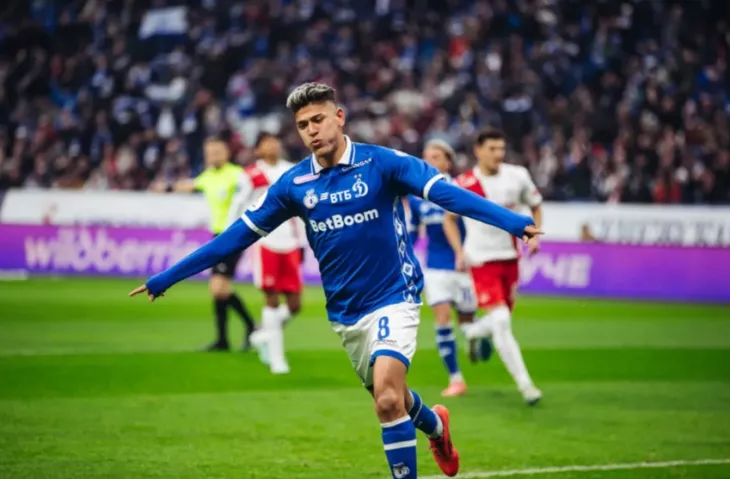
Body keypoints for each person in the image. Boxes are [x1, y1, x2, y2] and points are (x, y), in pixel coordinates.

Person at [131, 83, 542, 479]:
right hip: (346, 312)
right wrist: (167, 278)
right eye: (303, 125)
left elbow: (446, 195)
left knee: (386, 399)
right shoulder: (293, 185)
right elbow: (235, 236)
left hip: (395, 296)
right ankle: (436, 427)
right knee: (393, 397)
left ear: (339, 117)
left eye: (318, 120)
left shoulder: (383, 163)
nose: (312, 130)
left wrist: (513, 222)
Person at [443, 127, 544, 405]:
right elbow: (449, 219)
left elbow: (535, 205)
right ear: (478, 151)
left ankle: (472, 331)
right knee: (501, 321)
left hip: (510, 259)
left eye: (501, 148)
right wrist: (459, 251)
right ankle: (527, 387)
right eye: (492, 149)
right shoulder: (465, 183)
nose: (498, 154)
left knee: (502, 320)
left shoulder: (518, 176)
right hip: (481, 259)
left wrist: (535, 235)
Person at [151, 137, 256, 351]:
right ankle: (225, 339)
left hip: (234, 236)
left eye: (217, 152)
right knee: (219, 290)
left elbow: (252, 193)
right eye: (209, 153)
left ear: (226, 153)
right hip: (216, 236)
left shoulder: (237, 175)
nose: (213, 156)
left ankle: (248, 328)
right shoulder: (208, 176)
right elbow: (190, 185)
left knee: (218, 287)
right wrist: (165, 187)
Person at [406, 139, 492, 398]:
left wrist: (469, 254)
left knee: (467, 322)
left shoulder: (460, 190)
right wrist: (403, 257)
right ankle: (456, 379)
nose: (429, 161)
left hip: (464, 267)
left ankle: (478, 335)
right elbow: (413, 232)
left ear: (448, 162)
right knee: (442, 320)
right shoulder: (417, 197)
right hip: (435, 268)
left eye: (435, 157)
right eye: (426, 157)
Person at [226, 132, 307, 374]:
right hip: (264, 241)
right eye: (266, 143)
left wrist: (304, 241)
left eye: (275, 141)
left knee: (295, 304)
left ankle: (262, 335)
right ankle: (276, 358)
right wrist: (230, 238)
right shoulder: (251, 174)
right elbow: (237, 206)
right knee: (271, 299)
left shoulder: (292, 170)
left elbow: (301, 207)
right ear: (258, 150)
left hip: (290, 241)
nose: (272, 145)